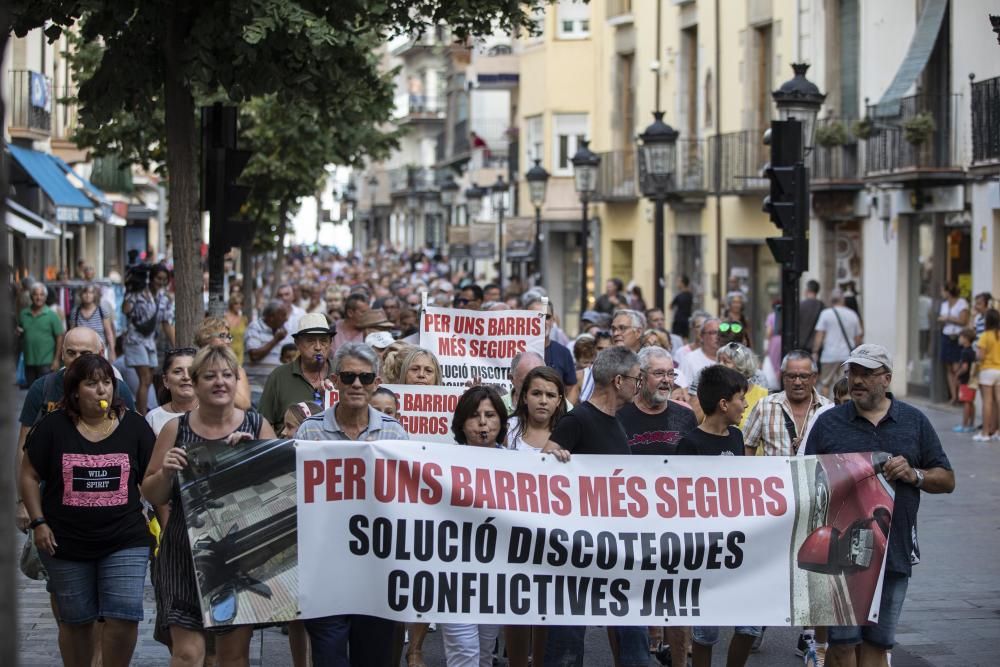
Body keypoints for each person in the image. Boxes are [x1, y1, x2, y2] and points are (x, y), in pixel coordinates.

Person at [805, 344, 955, 667]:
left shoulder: (914, 421)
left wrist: (914, 474)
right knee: (843, 644)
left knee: (878, 644)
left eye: (866, 374)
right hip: (840, 557)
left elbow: (947, 479)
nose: (857, 380)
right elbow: (803, 480)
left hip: (894, 551)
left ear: (886, 379)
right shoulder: (828, 423)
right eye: (852, 373)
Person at [143, 345, 276, 667]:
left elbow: (281, 491)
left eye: (227, 375)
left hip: (237, 553)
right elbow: (152, 493)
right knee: (188, 654)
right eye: (211, 376)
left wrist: (255, 457)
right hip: (182, 553)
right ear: (196, 382)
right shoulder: (176, 428)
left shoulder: (257, 426)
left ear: (237, 381)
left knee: (232, 656)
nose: (220, 382)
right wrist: (166, 472)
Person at [20, 353, 154, 667]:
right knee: (76, 621)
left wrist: (165, 522)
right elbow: (28, 474)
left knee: (124, 614)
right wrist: (38, 521)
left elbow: (154, 475)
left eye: (107, 383)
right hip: (65, 542)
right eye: (91, 384)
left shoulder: (134, 426)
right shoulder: (53, 427)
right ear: (75, 390)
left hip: (125, 538)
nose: (101, 390)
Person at [294, 342, 406, 666]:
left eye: (364, 377)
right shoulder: (310, 431)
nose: (356, 384)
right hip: (325, 573)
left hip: (377, 574)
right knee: (328, 659)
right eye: (348, 376)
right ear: (335, 380)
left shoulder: (395, 435)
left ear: (376, 383)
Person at [540, 346, 648, 667]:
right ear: (618, 380)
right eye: (636, 379)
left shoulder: (616, 422)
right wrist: (553, 458)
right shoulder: (578, 420)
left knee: (635, 642)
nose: (638, 385)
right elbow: (542, 471)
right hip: (577, 553)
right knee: (567, 647)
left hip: (617, 550)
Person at [675, 365, 760, 666]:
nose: (746, 404)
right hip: (705, 552)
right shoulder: (690, 444)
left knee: (749, 626)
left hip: (737, 547)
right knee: (705, 632)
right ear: (724, 404)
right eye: (741, 398)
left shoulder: (736, 438)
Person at [16, 327, 138, 532]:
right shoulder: (43, 389)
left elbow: (135, 448)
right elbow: (23, 449)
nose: (77, 360)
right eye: (71, 353)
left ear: (101, 355)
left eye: (85, 354)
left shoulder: (117, 390)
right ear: (62, 354)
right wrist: (23, 503)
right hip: (53, 508)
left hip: (111, 509)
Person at [439, 386, 506, 667]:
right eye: (474, 416)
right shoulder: (441, 464)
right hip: (454, 577)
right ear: (461, 424)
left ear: (501, 421)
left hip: (496, 578)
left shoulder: (521, 465)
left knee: (483, 654)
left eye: (490, 415)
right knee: (463, 652)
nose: (482, 423)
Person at [742, 350, 830, 458]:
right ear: (783, 377)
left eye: (803, 376)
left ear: (814, 378)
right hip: (774, 475)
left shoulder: (828, 409)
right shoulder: (764, 406)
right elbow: (746, 449)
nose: (797, 382)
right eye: (792, 376)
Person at [258, 313, 334, 427]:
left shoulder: (343, 374)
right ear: (297, 343)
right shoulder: (279, 377)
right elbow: (263, 423)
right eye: (311, 341)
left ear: (330, 342)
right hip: (288, 444)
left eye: (324, 341)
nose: (318, 347)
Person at [122, 265, 175, 416]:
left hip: (151, 342)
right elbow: (125, 310)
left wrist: (177, 347)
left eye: (165, 279)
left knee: (149, 380)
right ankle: (143, 416)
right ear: (150, 278)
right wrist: (130, 288)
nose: (162, 282)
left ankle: (142, 413)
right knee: (145, 379)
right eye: (159, 278)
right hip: (135, 340)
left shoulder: (165, 297)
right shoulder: (137, 293)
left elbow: (167, 323)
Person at [812, 289, 864, 397]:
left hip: (828, 356)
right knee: (845, 384)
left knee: (825, 384)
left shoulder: (825, 314)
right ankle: (842, 408)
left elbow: (819, 335)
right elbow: (858, 338)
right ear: (843, 300)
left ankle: (826, 408)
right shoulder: (852, 315)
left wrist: (815, 351)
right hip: (846, 356)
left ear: (831, 300)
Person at [194, 317, 253, 410]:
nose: (227, 341)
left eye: (229, 337)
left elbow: (244, 404)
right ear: (206, 337)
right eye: (222, 336)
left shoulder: (236, 369)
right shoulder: (193, 367)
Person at [524, 295, 577, 397]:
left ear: (553, 321)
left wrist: (565, 411)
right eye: (537, 316)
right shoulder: (515, 350)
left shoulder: (563, 352)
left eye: (547, 317)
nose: (542, 322)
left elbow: (572, 387)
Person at [506, 366, 566, 452]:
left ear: (558, 401)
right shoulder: (509, 428)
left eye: (550, 395)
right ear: (525, 397)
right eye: (536, 394)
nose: (543, 401)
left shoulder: (567, 433)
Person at [18, 282, 65, 387]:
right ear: (31, 296)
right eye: (35, 294)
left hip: (46, 361)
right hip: (28, 360)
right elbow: (20, 332)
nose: (38, 297)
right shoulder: (23, 314)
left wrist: (56, 360)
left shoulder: (52, 315)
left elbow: (59, 337)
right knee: (31, 391)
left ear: (45, 297)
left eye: (41, 295)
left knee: (45, 391)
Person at [145, 347, 198, 435]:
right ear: (166, 380)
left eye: (191, 371)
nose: (186, 377)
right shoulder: (153, 418)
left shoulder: (214, 414)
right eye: (178, 372)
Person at [717, 342, 768, 428]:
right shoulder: (715, 392)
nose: (720, 365)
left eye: (726, 362)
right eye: (719, 361)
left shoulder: (763, 395)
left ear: (741, 367)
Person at [937, 282, 970, 404]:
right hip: (946, 336)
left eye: (943, 290)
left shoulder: (962, 303)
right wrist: (942, 320)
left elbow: (963, 321)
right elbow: (941, 318)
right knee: (949, 367)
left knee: (957, 368)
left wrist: (947, 318)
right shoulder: (944, 304)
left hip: (957, 338)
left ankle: (961, 396)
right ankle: (953, 396)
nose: (941, 293)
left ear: (948, 292)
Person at [244, 300, 290, 383]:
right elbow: (254, 356)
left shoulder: (281, 331)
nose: (286, 319)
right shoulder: (255, 327)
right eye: (283, 315)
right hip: (255, 386)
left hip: (275, 387)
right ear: (271, 317)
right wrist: (275, 340)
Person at [70, 284, 116, 362]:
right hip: (81, 352)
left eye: (91, 293)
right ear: (81, 295)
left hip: (99, 352)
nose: (88, 295)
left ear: (94, 295)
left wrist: (112, 350)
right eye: (85, 293)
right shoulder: (75, 312)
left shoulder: (102, 311)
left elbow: (109, 333)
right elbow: (72, 334)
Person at [974, 308, 1000, 442]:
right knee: (998, 402)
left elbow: (980, 356)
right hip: (999, 370)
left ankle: (985, 433)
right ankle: (997, 431)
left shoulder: (985, 336)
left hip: (987, 370)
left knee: (987, 402)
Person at [678, 318, 721, 389]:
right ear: (701, 336)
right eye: (713, 333)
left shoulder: (728, 359)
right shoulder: (690, 360)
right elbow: (682, 389)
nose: (718, 336)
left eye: (721, 333)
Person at [955, 328, 978, 433]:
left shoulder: (964, 352)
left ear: (966, 339)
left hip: (966, 381)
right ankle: (971, 424)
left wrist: (957, 374)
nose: (959, 339)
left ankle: (964, 425)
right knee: (971, 402)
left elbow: (965, 367)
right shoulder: (972, 351)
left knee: (966, 403)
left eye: (961, 337)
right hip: (972, 381)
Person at [799, 280, 824, 353]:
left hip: (801, 347)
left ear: (807, 290)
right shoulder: (823, 307)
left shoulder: (800, 306)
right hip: (818, 348)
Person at [224, 291, 248, 365]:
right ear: (231, 304)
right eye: (236, 303)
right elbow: (226, 337)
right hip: (228, 352)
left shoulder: (244, 319)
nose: (239, 306)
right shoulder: (225, 318)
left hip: (241, 353)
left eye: (241, 304)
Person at [670, 275, 694, 339]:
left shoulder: (679, 296)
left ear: (682, 283)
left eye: (678, 281)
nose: (677, 283)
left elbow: (671, 306)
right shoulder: (690, 295)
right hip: (686, 319)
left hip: (679, 320)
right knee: (685, 338)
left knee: (675, 338)